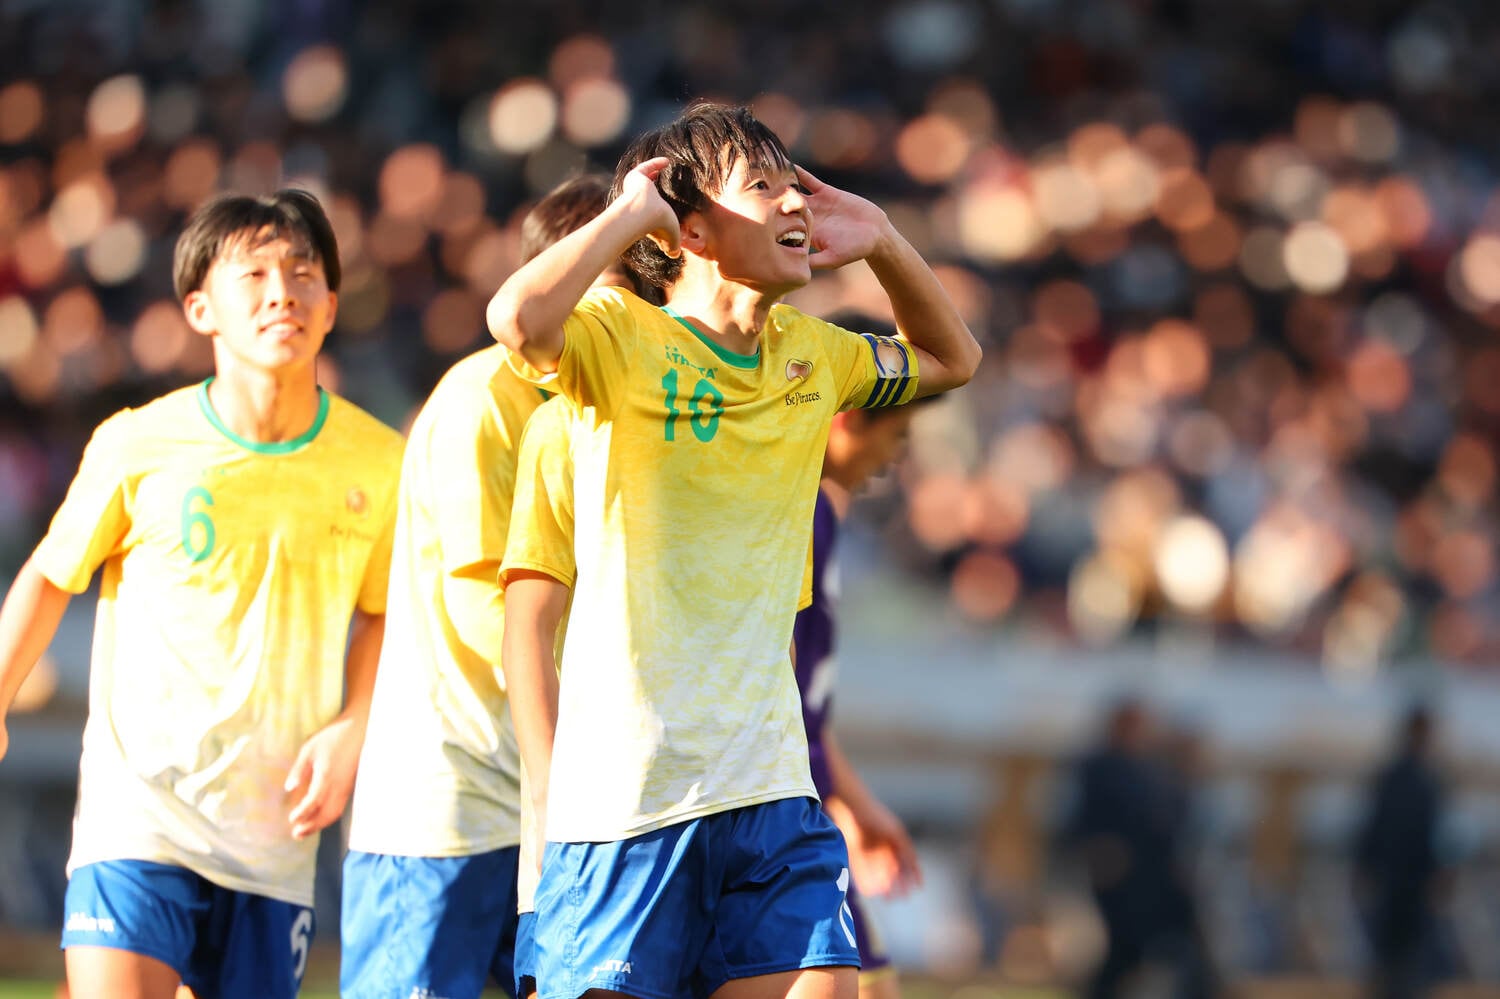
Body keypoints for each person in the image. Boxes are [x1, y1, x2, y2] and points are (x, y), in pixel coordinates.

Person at [486, 102, 981, 999]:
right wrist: (633, 213)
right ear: (695, 228)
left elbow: (953, 359)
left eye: (796, 183)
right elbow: (516, 321)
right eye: (765, 185)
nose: (795, 202)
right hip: (628, 801)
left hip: (767, 786)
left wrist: (880, 238)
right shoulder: (620, 337)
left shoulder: (814, 354)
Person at [0, 189, 404, 999]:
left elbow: (385, 613)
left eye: (302, 271)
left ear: (330, 304)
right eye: (251, 273)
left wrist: (354, 726)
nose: (281, 291)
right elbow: (50, 572)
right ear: (200, 307)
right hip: (138, 813)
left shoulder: (383, 462)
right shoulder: (137, 443)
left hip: (272, 834)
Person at [340, 172, 645, 999]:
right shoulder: (483, 398)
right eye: (616, 287)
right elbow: (484, 605)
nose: (634, 319)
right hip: (449, 804)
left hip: (548, 800)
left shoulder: (604, 404)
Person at [794, 382, 929, 999]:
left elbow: (808, 707)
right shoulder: (802, 513)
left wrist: (857, 807)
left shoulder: (822, 513)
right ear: (847, 419)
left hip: (805, 803)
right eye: (894, 435)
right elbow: (782, 692)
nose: (895, 456)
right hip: (776, 812)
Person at [1354, 705, 1449, 999]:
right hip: (1408, 888)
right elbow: (1432, 839)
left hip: (1391, 884)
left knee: (1389, 964)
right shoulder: (1426, 782)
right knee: (1406, 965)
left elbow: (1371, 829)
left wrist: (1363, 869)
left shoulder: (1393, 777)